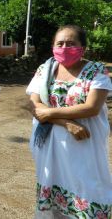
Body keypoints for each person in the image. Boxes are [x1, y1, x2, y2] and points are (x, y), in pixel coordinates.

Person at [27, 25, 112, 218]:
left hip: (84, 146)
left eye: (71, 43)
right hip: (50, 146)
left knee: (89, 190)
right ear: (53, 46)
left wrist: (48, 114)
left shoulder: (97, 71)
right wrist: (65, 122)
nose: (65, 47)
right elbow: (33, 105)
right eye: (60, 43)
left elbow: (91, 108)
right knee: (53, 194)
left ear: (83, 47)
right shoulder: (45, 69)